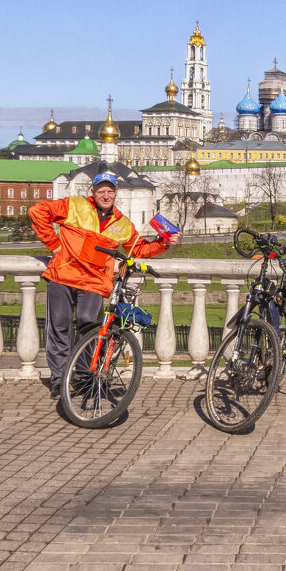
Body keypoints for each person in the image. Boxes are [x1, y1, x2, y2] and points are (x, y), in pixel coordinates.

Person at [29, 169, 174, 399]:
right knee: (60, 327)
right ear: (93, 192)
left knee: (90, 326)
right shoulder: (75, 205)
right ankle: (58, 379)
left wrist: (164, 242)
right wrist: (54, 244)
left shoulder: (123, 225)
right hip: (63, 275)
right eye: (101, 191)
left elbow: (138, 249)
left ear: (116, 193)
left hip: (94, 282)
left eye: (110, 191)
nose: (105, 195)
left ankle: (82, 376)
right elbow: (37, 212)